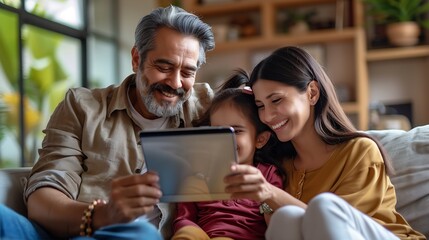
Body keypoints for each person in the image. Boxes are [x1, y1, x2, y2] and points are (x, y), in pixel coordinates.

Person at [0, 5, 215, 240]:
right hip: (73, 232)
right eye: (163, 67)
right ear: (136, 59)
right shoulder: (81, 107)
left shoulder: (206, 107)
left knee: (140, 233)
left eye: (187, 73)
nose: (175, 83)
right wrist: (103, 215)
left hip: (143, 236)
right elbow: (42, 199)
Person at [223, 46, 426, 240]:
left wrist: (270, 193)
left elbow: (338, 225)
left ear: (312, 92)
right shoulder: (279, 165)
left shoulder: (359, 151)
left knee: (323, 206)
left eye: (276, 100)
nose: (267, 116)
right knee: (285, 218)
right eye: (260, 105)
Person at [172, 70, 285, 240]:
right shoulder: (197, 178)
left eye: (236, 131)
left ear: (260, 139)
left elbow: (273, 217)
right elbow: (184, 218)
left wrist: (265, 204)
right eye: (217, 131)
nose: (225, 139)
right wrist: (186, 231)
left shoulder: (267, 176)